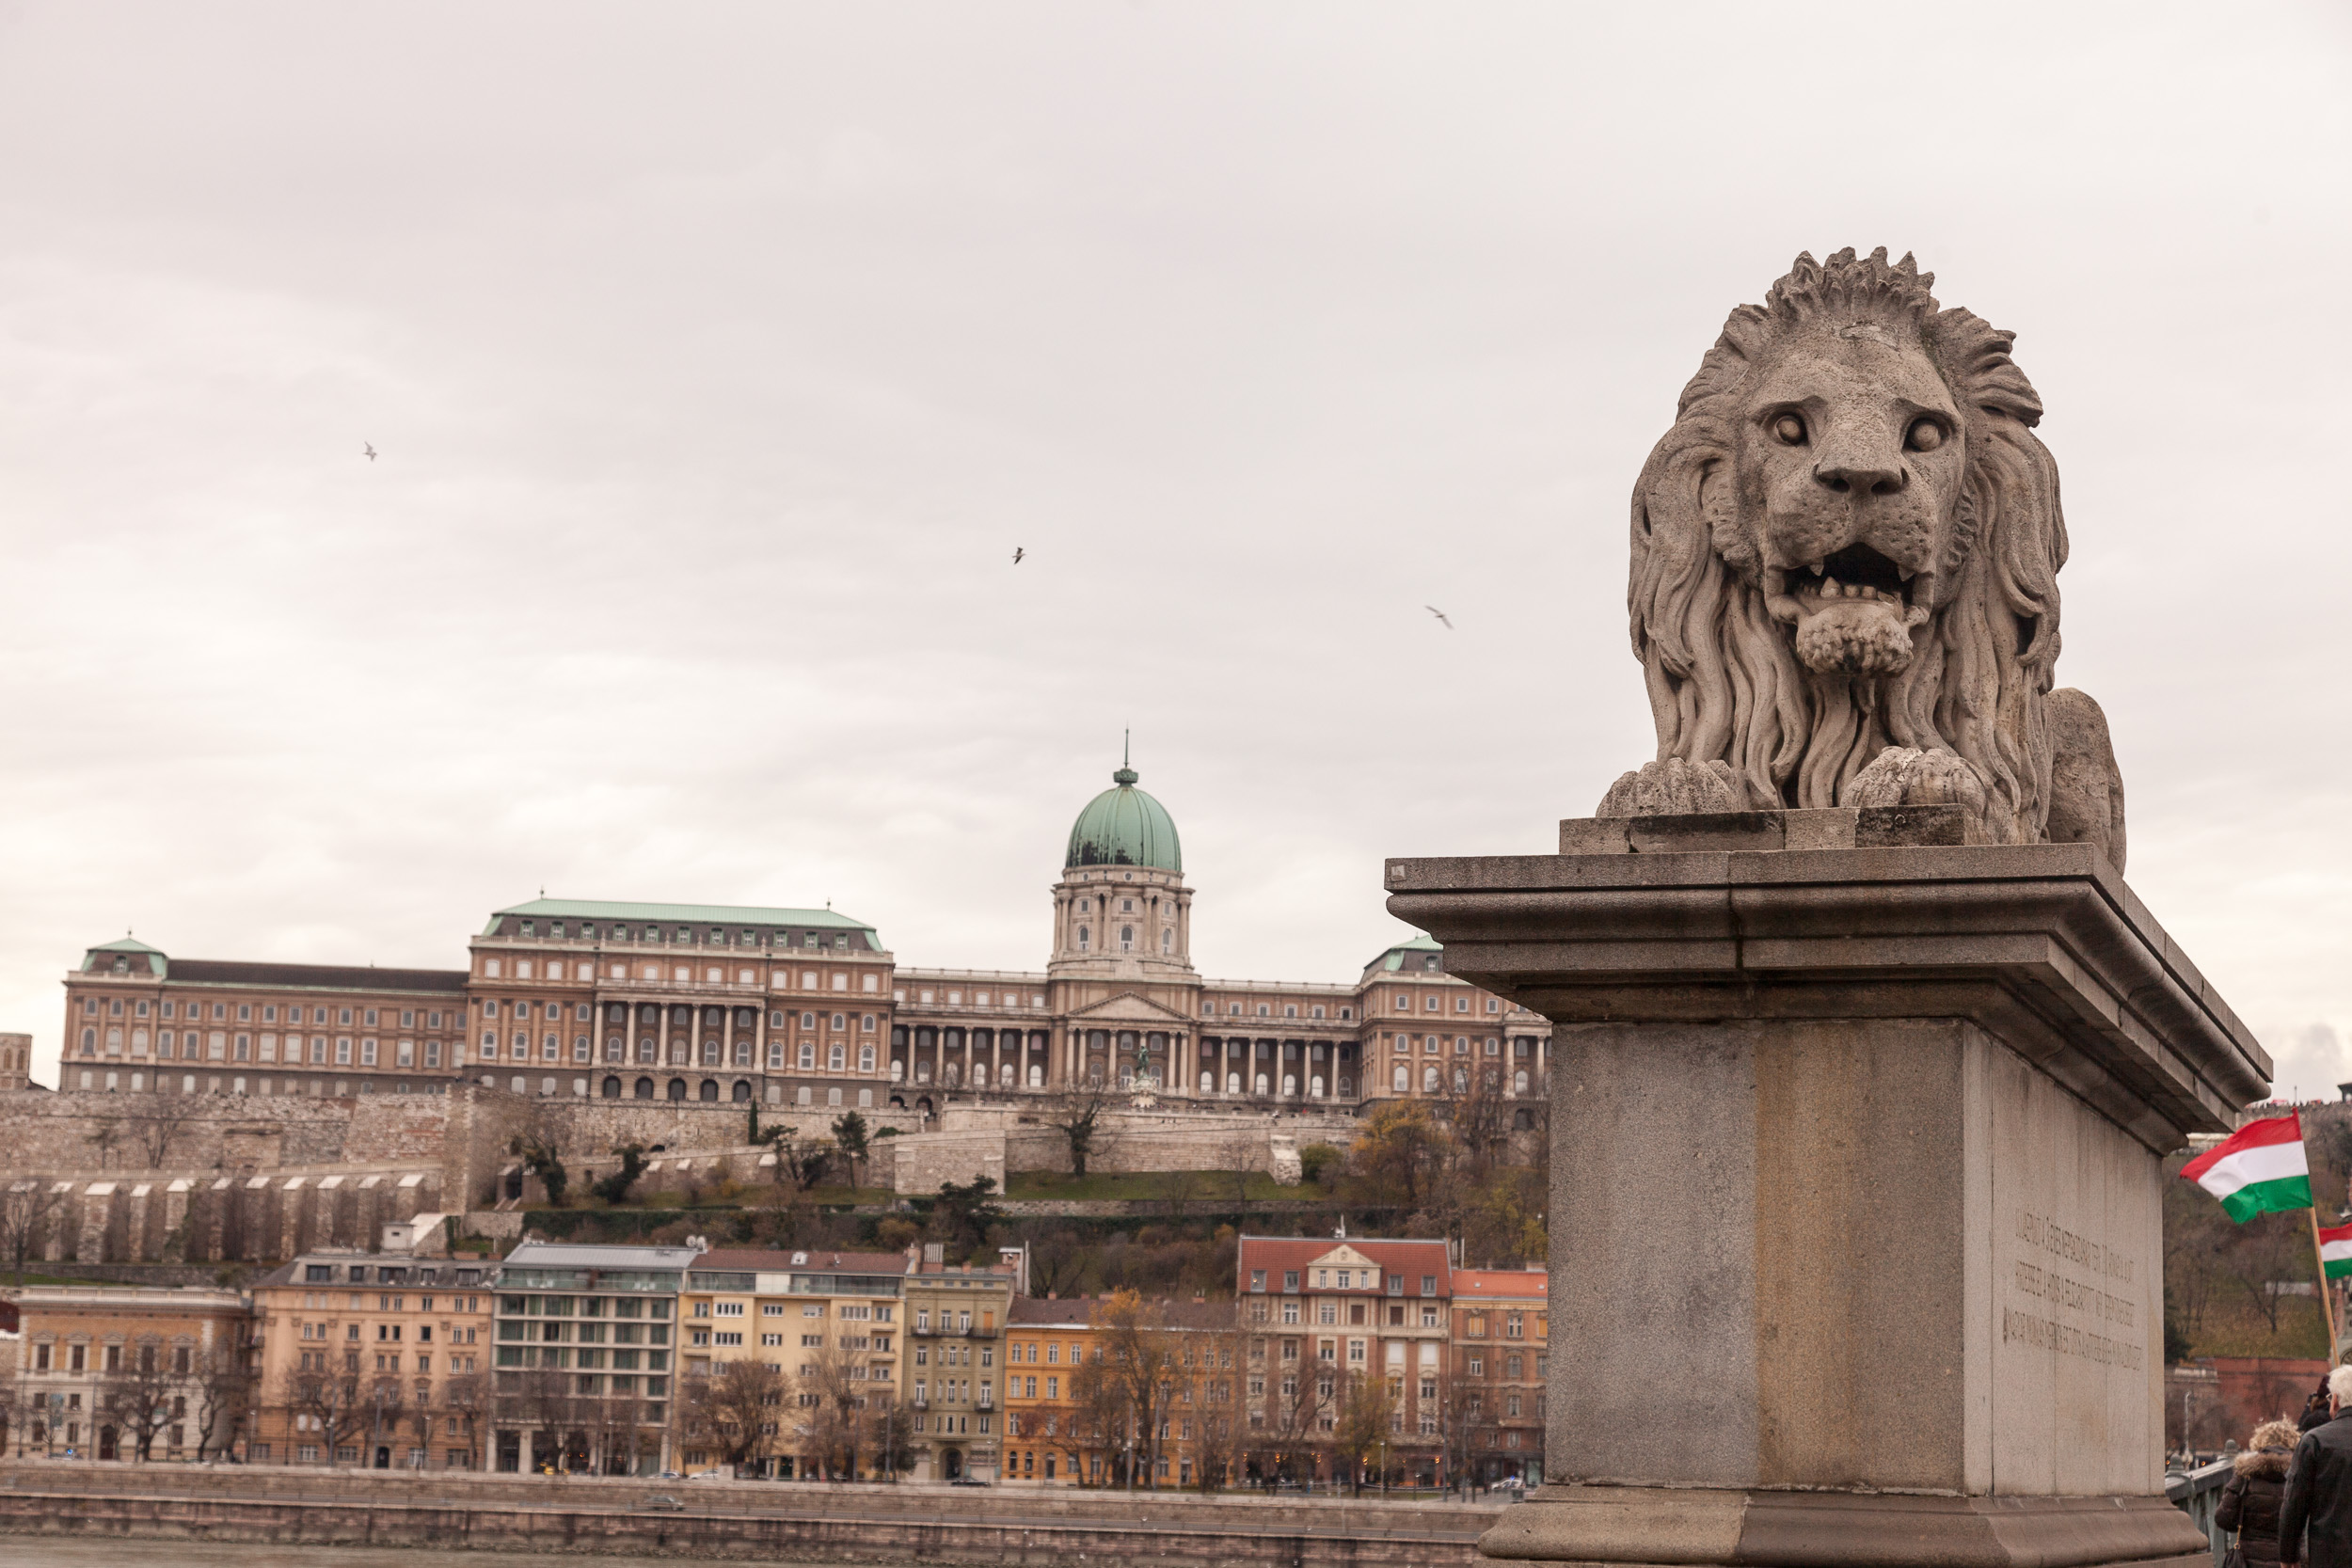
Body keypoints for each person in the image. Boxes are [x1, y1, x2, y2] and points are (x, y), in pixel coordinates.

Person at [2281, 1365, 2352, 1565]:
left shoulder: (2314, 1441)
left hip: (2328, 1555)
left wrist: (2288, 1557)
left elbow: (2293, 1505)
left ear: (2336, 1400)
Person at [2220, 1420, 2299, 1567]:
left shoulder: (2245, 1474)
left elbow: (2223, 1518)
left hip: (2249, 1561)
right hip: (2288, 1561)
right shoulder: (2300, 1475)